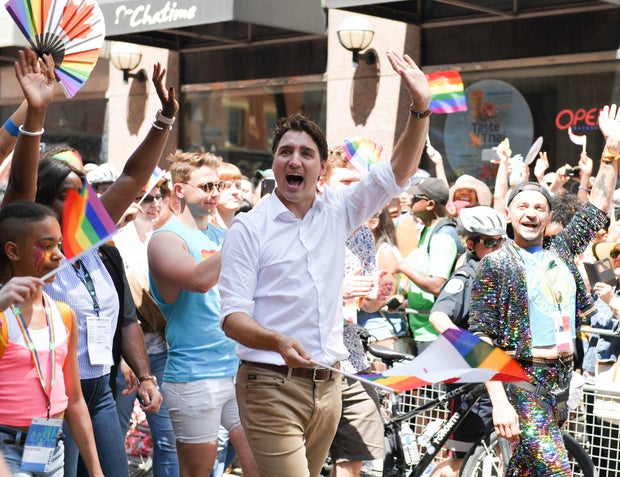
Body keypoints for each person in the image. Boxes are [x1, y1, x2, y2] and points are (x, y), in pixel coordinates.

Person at [218, 51, 431, 477]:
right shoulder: (249, 227)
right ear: (275, 163)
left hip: (330, 385)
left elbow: (397, 172)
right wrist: (277, 341)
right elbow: (232, 318)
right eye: (285, 152)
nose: (294, 160)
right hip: (268, 383)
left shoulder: (340, 209)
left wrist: (420, 108)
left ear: (320, 167)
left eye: (305, 153)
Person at [5, 48, 176, 477]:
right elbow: (22, 187)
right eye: (66, 192)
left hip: (96, 392)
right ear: (43, 200)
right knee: (44, 472)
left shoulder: (83, 240)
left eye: (84, 191)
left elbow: (134, 181)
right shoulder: (24, 249)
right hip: (46, 401)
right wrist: (36, 113)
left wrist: (164, 121)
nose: (81, 200)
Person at [469, 104, 619, 476]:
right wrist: (499, 403)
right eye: (523, 206)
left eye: (540, 207)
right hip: (522, 380)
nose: (532, 212)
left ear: (550, 218)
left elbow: (598, 206)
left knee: (525, 471)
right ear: (508, 214)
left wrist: (612, 149)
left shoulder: (562, 251)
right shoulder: (496, 264)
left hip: (562, 382)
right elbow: (481, 340)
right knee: (557, 471)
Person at [147, 150, 257, 477]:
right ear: (179, 190)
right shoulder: (165, 238)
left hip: (236, 368)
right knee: (197, 473)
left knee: (262, 464)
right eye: (206, 186)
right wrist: (240, 237)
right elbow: (197, 280)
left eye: (217, 186)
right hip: (195, 375)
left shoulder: (223, 236)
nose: (214, 194)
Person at [0, 201, 103, 477]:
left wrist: (95, 469)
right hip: (6, 448)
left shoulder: (63, 314)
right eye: (46, 246)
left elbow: (75, 399)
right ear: (13, 251)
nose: (59, 255)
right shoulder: (2, 316)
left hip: (48, 443)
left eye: (59, 244)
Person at [428, 206, 506, 477]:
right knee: (459, 460)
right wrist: (468, 346)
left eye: (501, 240)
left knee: (503, 451)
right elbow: (439, 316)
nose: (498, 247)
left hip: (499, 378)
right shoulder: (466, 276)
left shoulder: (500, 274)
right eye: (489, 242)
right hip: (471, 383)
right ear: (471, 244)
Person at [114, 185, 179, 477]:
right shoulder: (114, 241)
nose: (154, 204)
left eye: (159, 197)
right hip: (122, 355)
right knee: (113, 436)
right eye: (146, 197)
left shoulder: (163, 239)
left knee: (168, 439)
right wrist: (124, 359)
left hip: (161, 350)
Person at [395, 177, 460, 354]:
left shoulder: (443, 236)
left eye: (416, 198)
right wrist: (402, 297)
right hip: (423, 330)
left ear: (430, 204)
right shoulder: (428, 231)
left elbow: (438, 286)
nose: (410, 201)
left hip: (435, 334)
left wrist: (402, 267)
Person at [582, 241, 620, 477]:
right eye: (615, 253)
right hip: (592, 376)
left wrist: (611, 301)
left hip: (613, 381)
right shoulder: (609, 287)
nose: (617, 258)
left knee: (613, 446)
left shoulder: (610, 295)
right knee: (597, 447)